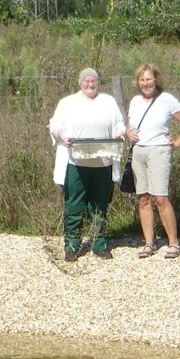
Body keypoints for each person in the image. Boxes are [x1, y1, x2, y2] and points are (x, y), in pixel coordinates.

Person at [47, 67, 125, 261]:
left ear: (98, 83)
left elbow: (119, 124)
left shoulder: (108, 101)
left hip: (103, 161)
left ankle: (100, 244)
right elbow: (55, 125)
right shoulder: (67, 103)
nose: (90, 85)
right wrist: (62, 136)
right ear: (80, 83)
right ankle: (72, 246)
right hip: (76, 162)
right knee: (74, 204)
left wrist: (120, 132)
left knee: (100, 204)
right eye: (87, 81)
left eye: (94, 81)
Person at [121, 63, 180, 259]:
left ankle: (173, 243)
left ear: (156, 80)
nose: (146, 83)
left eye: (149, 79)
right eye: (142, 80)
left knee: (160, 198)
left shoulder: (166, 100)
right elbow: (130, 125)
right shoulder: (135, 101)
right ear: (138, 82)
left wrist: (178, 141)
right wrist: (129, 133)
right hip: (139, 152)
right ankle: (149, 243)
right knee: (143, 198)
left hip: (159, 151)